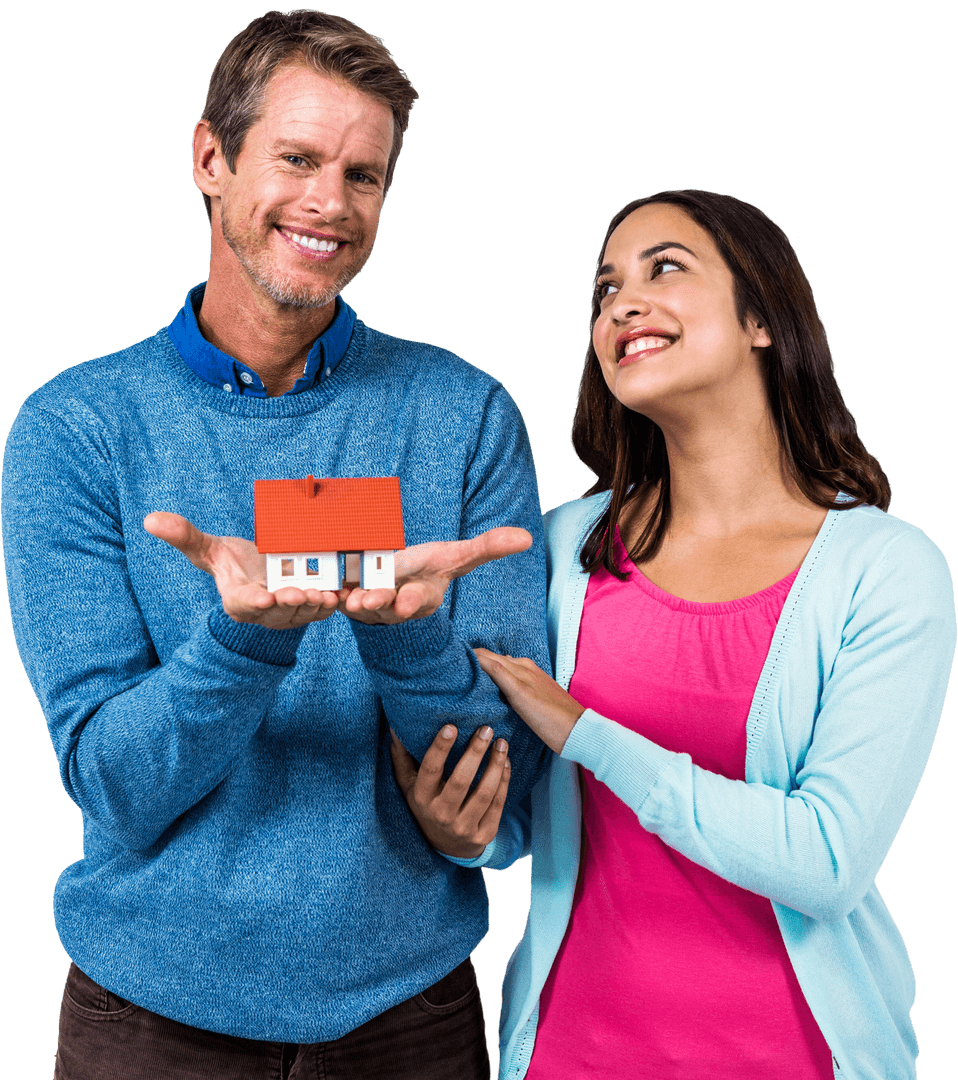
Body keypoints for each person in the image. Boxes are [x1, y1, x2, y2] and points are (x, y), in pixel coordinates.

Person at [1, 10, 549, 1079]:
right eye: (296, 159)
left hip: (408, 1018)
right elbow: (113, 781)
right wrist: (244, 642)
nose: (328, 204)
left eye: (363, 175)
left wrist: (408, 639)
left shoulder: (464, 413)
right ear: (210, 157)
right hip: (148, 1020)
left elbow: (505, 778)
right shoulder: (74, 430)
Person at [391, 189, 956, 1079]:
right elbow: (531, 816)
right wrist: (463, 828)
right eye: (605, 288)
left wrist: (587, 733)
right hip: (570, 1055)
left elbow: (827, 860)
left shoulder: (886, 570)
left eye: (666, 269)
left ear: (763, 317)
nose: (622, 303)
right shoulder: (565, 548)